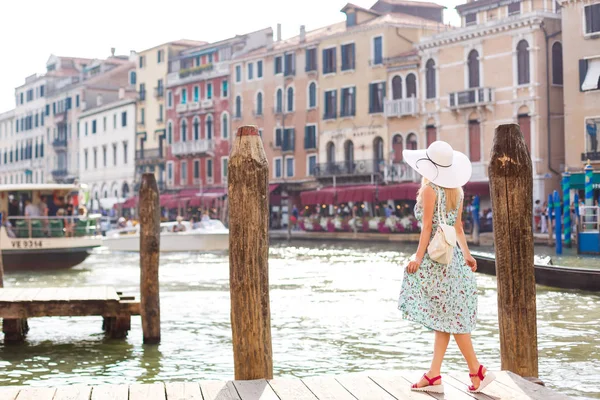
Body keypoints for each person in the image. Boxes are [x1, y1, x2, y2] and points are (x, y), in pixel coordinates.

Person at [398, 141, 495, 394]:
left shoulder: (430, 190)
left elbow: (427, 228)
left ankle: (477, 370)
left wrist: (417, 258)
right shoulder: (458, 191)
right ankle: (434, 375)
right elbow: (459, 227)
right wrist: (467, 255)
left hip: (437, 262)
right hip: (454, 261)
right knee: (446, 318)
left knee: (450, 319)